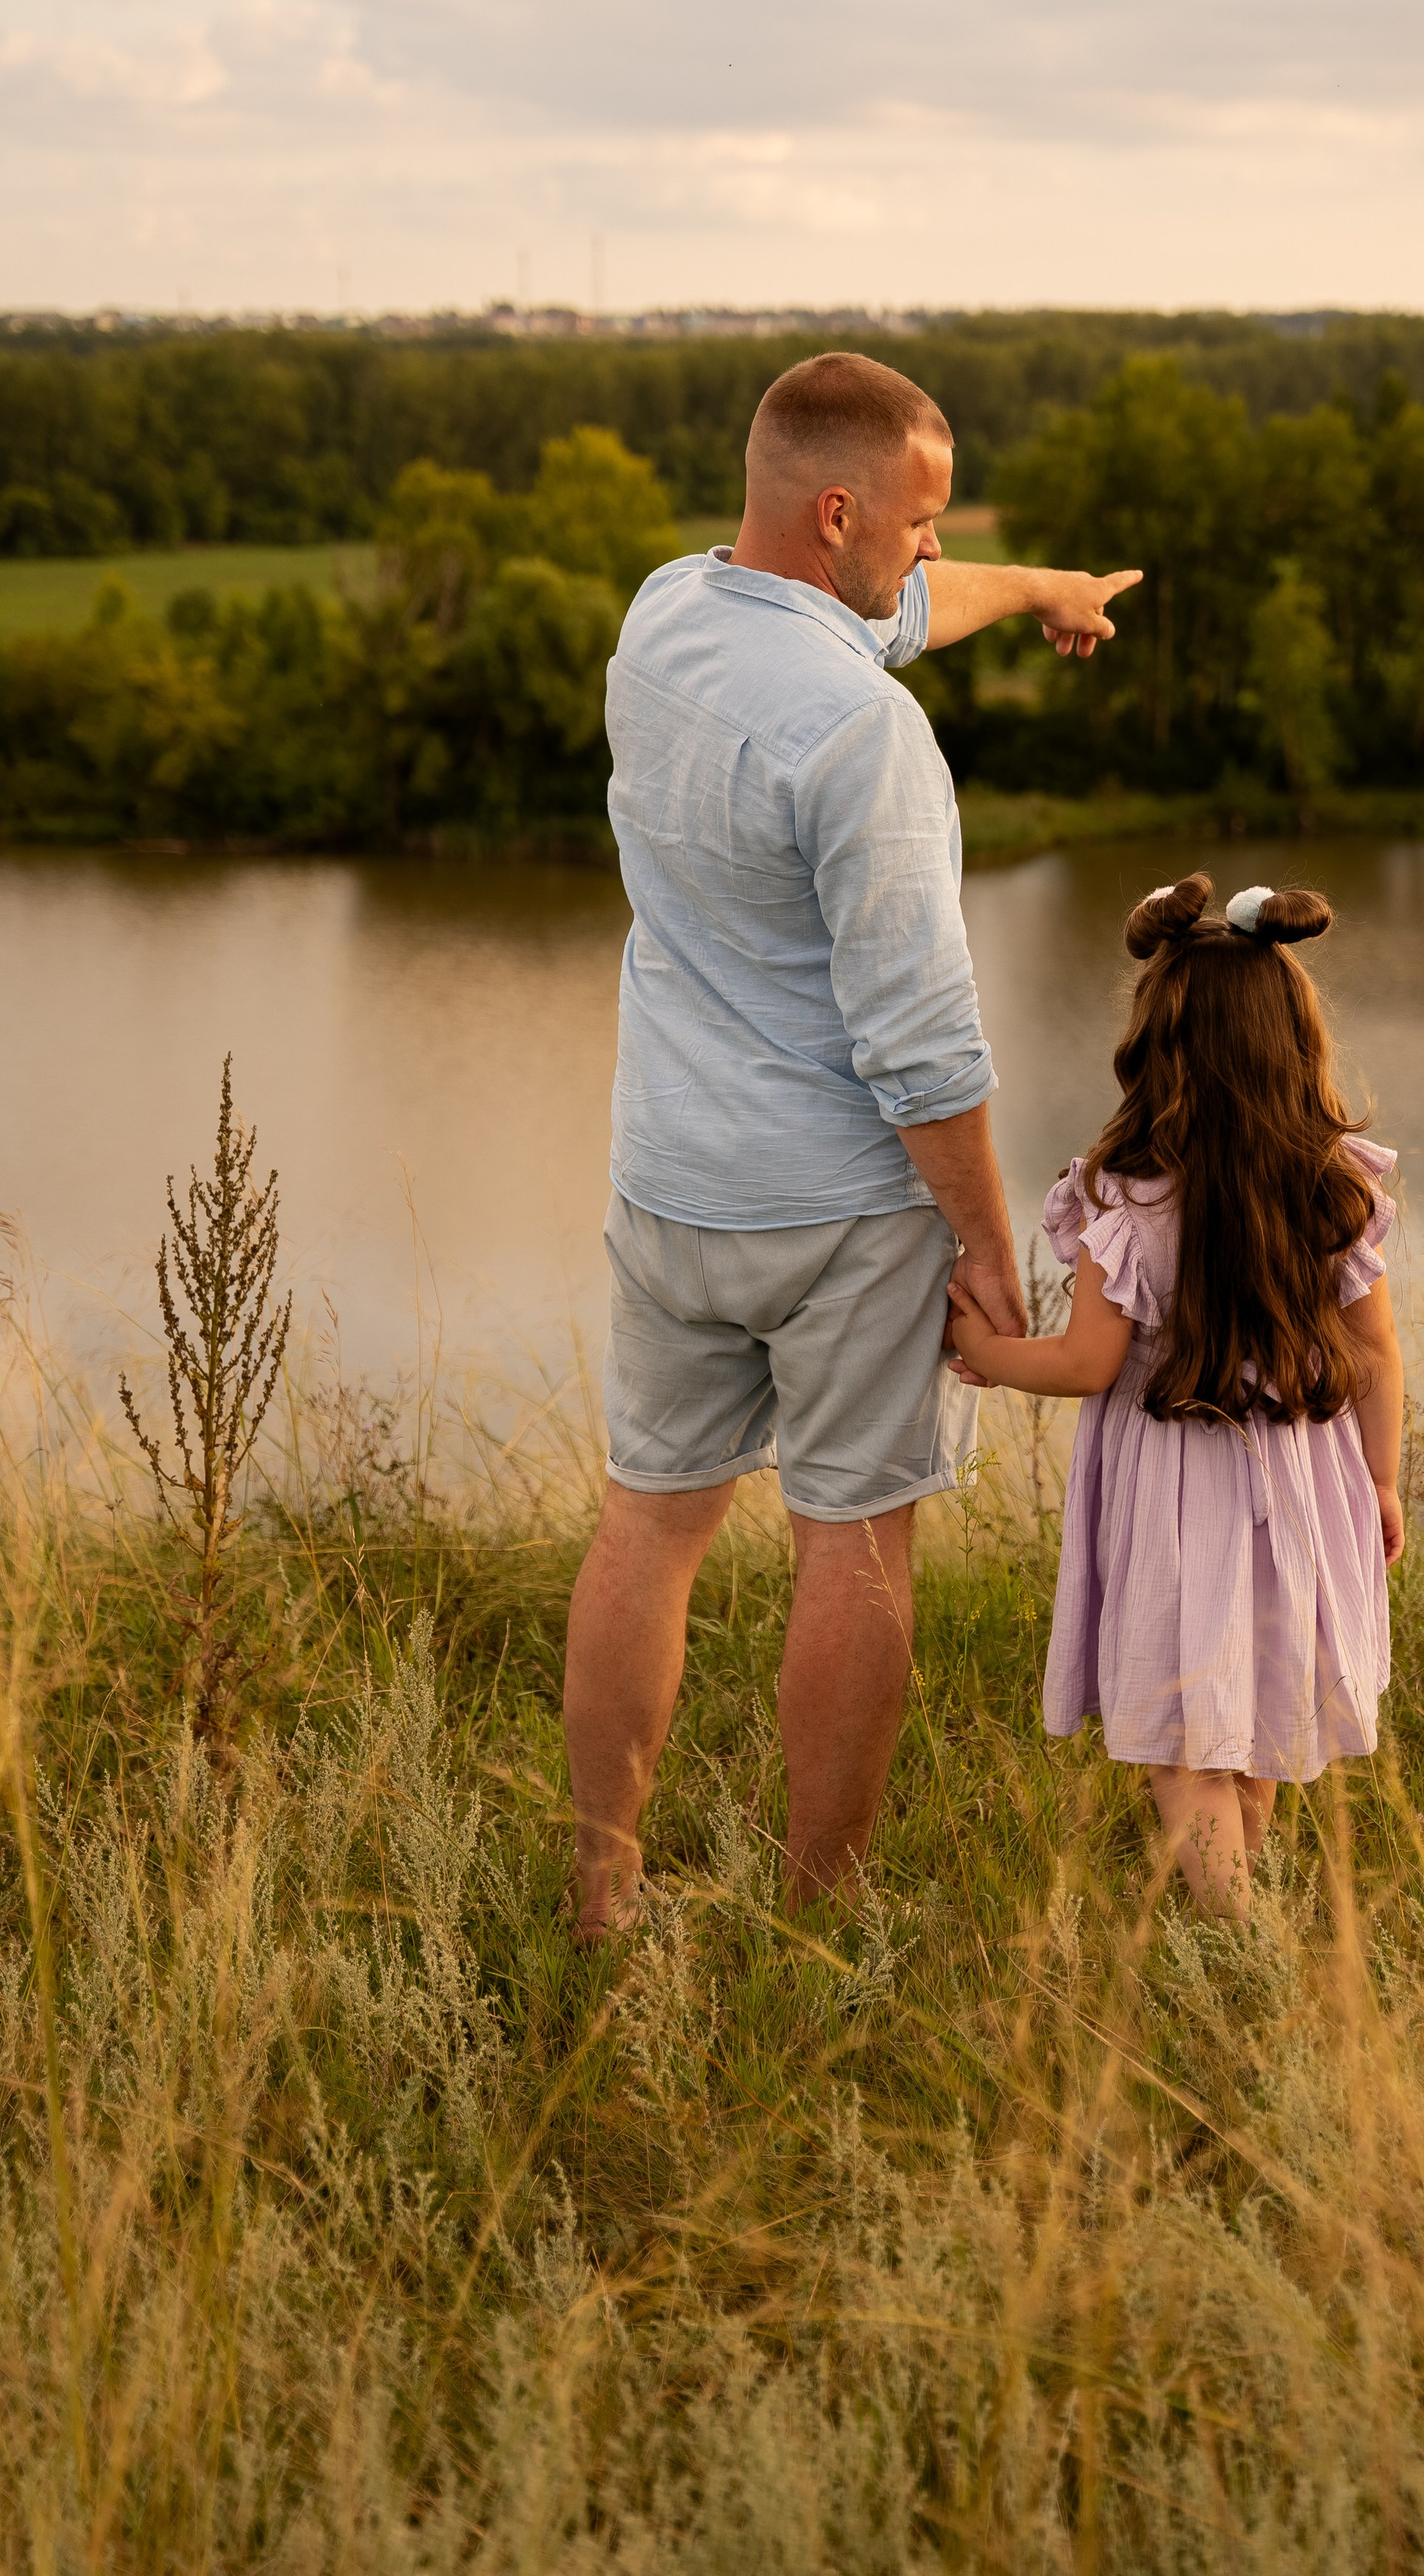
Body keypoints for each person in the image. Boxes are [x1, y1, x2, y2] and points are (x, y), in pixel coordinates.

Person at [565, 349, 1140, 1936]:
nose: (935, 546)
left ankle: (602, 1891)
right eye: (922, 517)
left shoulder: (667, 616)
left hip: (671, 1184)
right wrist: (988, 1246)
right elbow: (924, 1051)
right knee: (858, 1549)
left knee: (650, 1525)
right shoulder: (864, 737)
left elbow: (902, 611)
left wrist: (1043, 590)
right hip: (838, 1213)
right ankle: (815, 1922)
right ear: (837, 514)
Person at [946, 870, 1403, 1919]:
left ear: (1158, 1046)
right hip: (1305, 1482)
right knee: (1254, 1714)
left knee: (1182, 1739)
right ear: (1297, 1042)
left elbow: (1085, 1364)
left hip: (1176, 1493)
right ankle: (1248, 1909)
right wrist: (1382, 1482)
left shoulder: (1132, 1200)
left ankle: (1241, 1942)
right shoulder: (1332, 1187)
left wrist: (981, 1348)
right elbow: (1377, 1353)